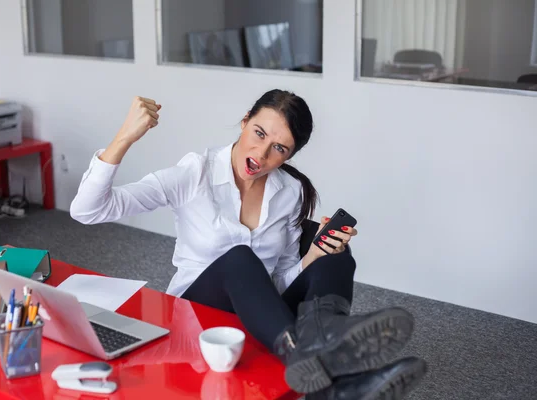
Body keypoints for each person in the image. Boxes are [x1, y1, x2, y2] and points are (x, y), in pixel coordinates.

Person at [70, 90, 427, 399]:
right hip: (197, 314)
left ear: (289, 155)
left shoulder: (291, 191)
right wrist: (124, 138)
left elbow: (280, 279)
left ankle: (323, 359)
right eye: (258, 133)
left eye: (278, 148)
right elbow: (88, 210)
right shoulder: (195, 174)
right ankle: (327, 374)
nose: (261, 152)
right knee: (239, 259)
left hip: (265, 313)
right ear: (244, 122)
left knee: (335, 255)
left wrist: (313, 257)